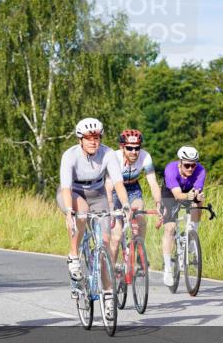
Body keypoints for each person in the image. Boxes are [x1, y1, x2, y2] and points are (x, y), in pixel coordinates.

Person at [58, 118, 131, 321]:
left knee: (105, 245)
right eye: (89, 138)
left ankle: (108, 295)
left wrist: (125, 205)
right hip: (74, 192)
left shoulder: (107, 153)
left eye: (97, 137)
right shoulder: (70, 156)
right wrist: (69, 213)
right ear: (81, 139)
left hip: (97, 193)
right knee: (80, 210)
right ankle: (74, 256)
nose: (93, 141)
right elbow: (65, 187)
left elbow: (118, 183)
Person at [103, 129, 163, 268]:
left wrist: (159, 204)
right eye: (129, 148)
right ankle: (110, 269)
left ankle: (139, 251)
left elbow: (153, 183)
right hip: (114, 191)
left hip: (133, 189)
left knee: (140, 212)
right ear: (122, 147)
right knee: (116, 236)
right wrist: (111, 206)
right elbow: (108, 186)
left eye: (137, 148)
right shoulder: (114, 158)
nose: (134, 152)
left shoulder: (145, 157)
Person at [160, 146, 207, 287]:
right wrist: (189, 196)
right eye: (187, 165)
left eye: (193, 165)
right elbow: (178, 195)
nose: (191, 168)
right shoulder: (171, 170)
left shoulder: (201, 170)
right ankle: (168, 268)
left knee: (199, 201)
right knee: (170, 228)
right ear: (180, 163)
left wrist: (198, 196)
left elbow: (197, 191)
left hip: (188, 191)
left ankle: (192, 233)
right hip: (171, 193)